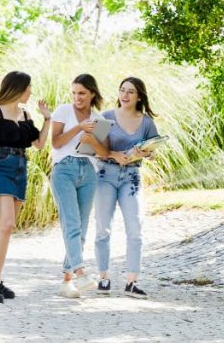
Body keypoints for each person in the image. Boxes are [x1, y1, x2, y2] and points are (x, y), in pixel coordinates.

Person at [0, 71, 52, 303]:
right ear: (18, 88)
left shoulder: (25, 113)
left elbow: (38, 145)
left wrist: (47, 119)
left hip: (20, 168)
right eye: (28, 88)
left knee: (7, 228)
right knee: (6, 223)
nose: (31, 92)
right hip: (1, 166)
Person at [95, 77, 159, 299]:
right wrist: (114, 154)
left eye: (131, 92)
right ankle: (103, 278)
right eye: (122, 90)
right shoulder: (106, 117)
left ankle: (132, 282)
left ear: (139, 96)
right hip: (105, 174)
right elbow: (91, 148)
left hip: (131, 177)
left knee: (135, 229)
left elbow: (153, 150)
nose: (125, 95)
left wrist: (145, 152)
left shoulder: (146, 122)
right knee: (103, 228)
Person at [50, 73, 108, 298]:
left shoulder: (99, 119)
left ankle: (66, 282)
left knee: (82, 230)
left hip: (88, 172)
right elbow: (55, 143)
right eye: (74, 92)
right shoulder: (64, 111)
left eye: (82, 93)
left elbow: (102, 153)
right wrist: (79, 128)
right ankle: (81, 273)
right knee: (71, 224)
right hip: (64, 169)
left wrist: (92, 140)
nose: (77, 97)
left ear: (92, 93)